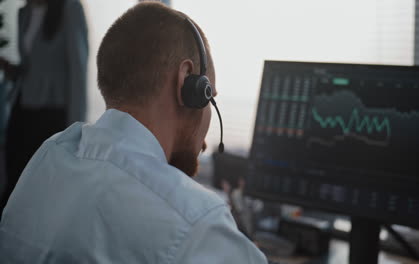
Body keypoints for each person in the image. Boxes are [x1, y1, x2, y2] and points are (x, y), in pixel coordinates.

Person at [0, 2, 268, 263]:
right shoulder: (195, 220)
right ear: (187, 81)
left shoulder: (48, 156)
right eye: (210, 97)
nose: (206, 145)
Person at [0, 0, 88, 213]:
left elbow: (78, 70)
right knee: (14, 176)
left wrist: (77, 130)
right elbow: (35, 65)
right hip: (23, 108)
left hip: (52, 113)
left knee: (44, 188)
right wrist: (13, 69)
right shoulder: (25, 12)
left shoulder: (70, 9)